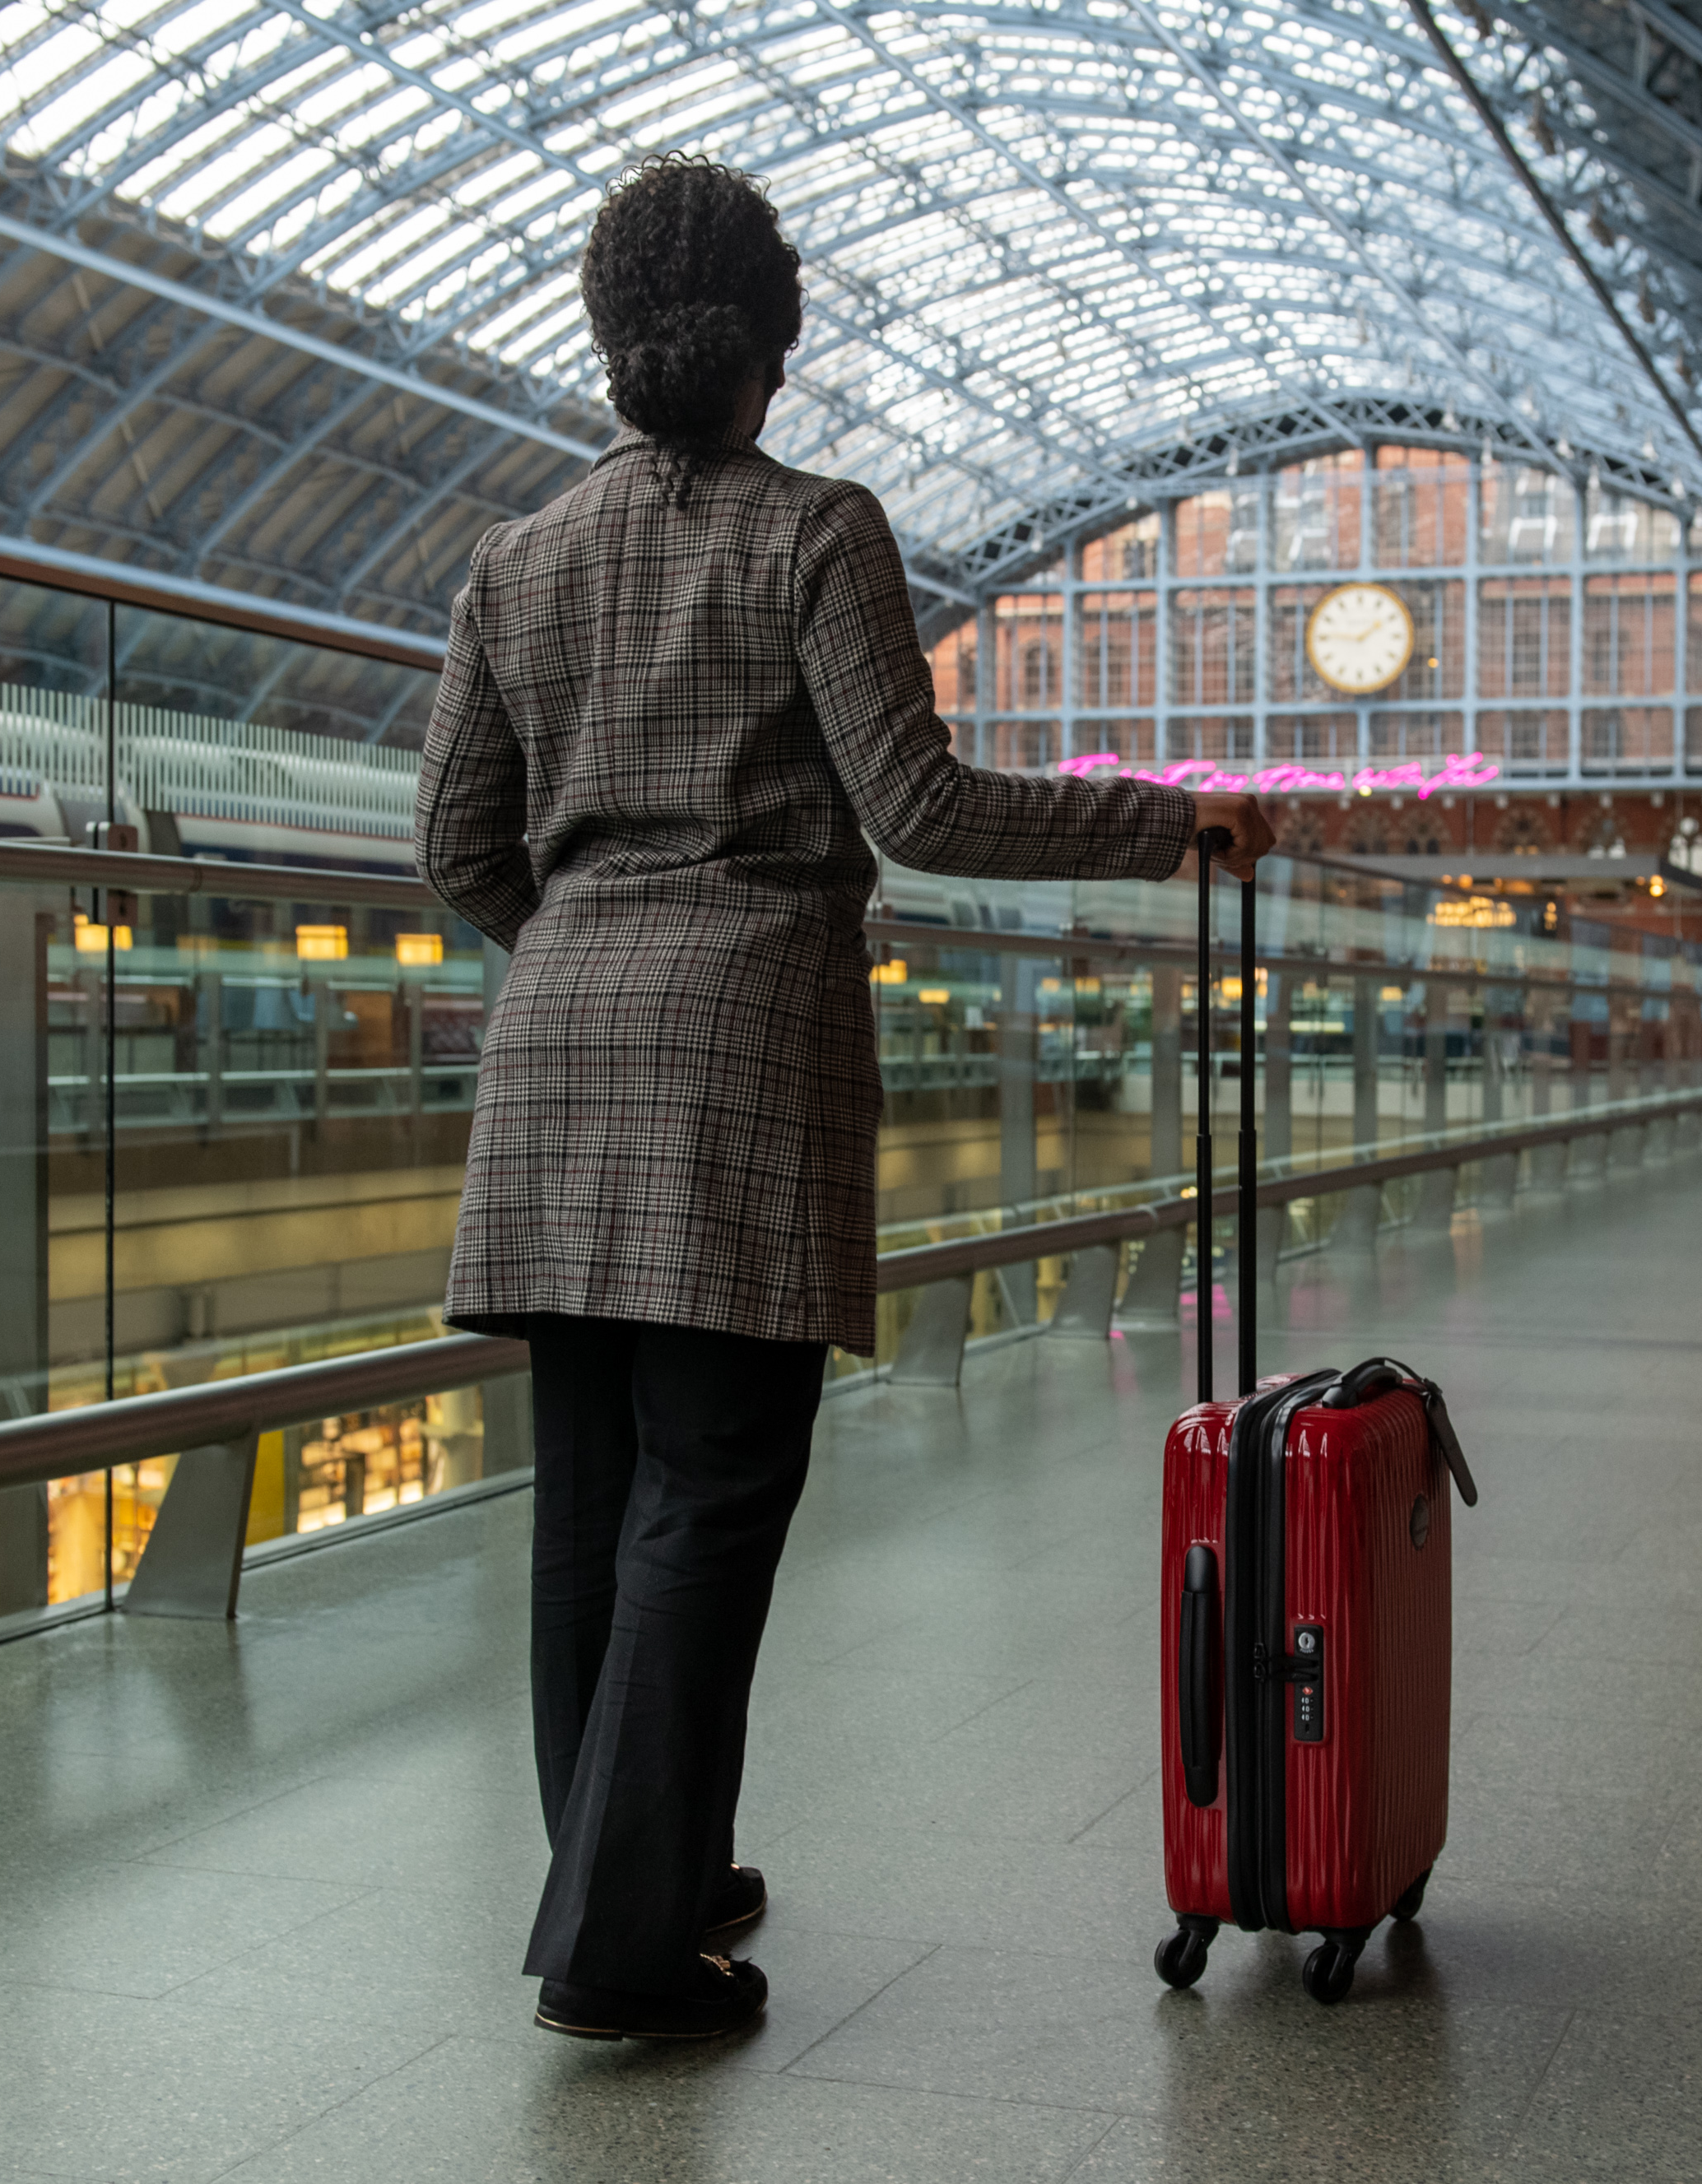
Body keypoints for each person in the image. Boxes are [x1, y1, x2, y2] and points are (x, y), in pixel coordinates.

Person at [412, 152, 1274, 2043]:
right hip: (739, 1055)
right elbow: (923, 804)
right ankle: (621, 1952)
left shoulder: (515, 557)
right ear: (772, 343)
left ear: (604, 330)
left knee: (590, 1502)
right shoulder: (817, 530)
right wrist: (1168, 817)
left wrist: (575, 953)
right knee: (710, 1493)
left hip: (552, 1065)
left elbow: (455, 842)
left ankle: (630, 1871)